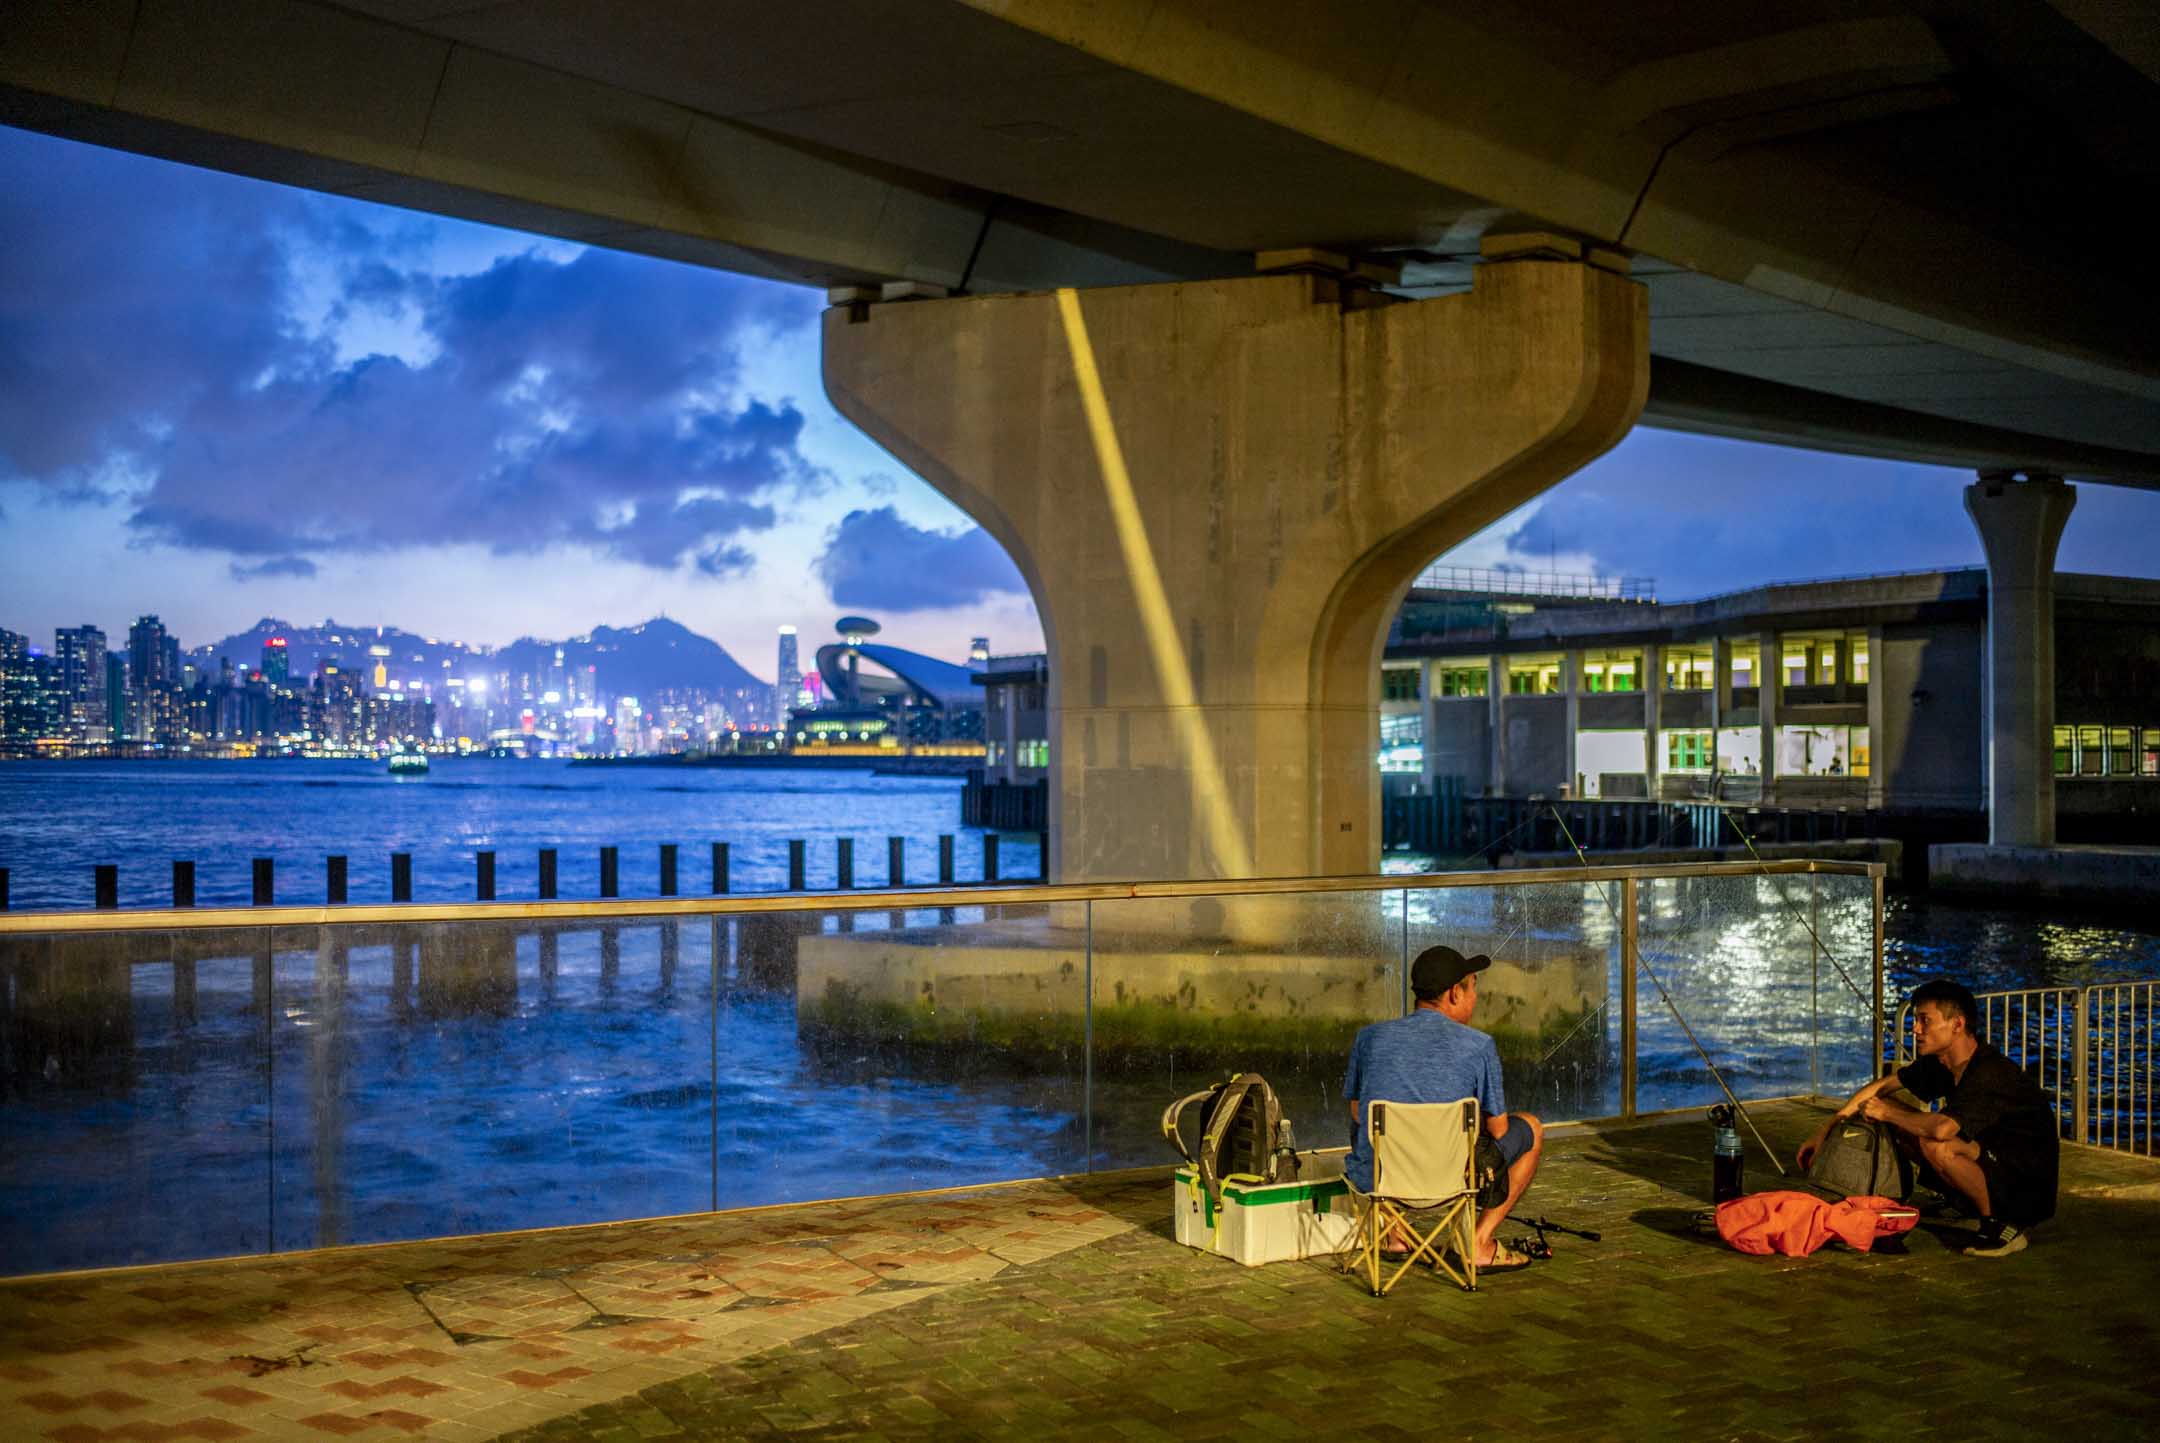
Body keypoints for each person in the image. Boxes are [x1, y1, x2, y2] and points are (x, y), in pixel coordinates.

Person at [1797, 978, 2058, 1258]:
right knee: (1894, 1118)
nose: (1915, 1029)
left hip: (2025, 1186)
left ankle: (2001, 1227)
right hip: (1987, 1158)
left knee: (1937, 1143)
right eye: (1915, 1020)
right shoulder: (1944, 1063)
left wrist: (1888, 1112)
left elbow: (1943, 1129)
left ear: (1957, 1024)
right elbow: (1881, 1088)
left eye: (1925, 1020)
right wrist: (1826, 1129)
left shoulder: (1989, 1072)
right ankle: (1954, 1198)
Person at [1343, 944, 1545, 1272]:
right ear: (1454, 993)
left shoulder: (1370, 1038)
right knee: (1531, 1128)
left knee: (1366, 1123)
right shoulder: (1479, 1046)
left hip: (1384, 1178)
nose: (1475, 999)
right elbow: (1499, 1131)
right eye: (1473, 989)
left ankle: (1394, 1234)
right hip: (1454, 1178)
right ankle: (1478, 1244)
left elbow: (1357, 1113)